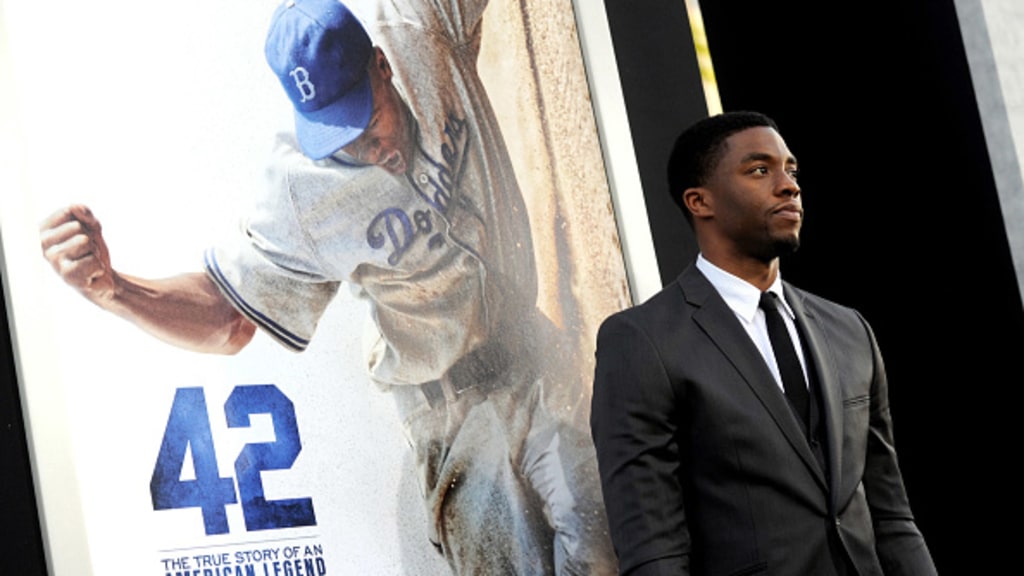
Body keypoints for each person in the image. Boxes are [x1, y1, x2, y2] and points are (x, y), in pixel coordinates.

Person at [38, 0, 616, 574]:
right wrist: (115, 289)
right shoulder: (302, 191)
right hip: (451, 419)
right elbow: (227, 318)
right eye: (337, 137)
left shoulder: (421, 23)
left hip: (534, 365)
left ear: (382, 66)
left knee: (604, 554)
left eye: (368, 122)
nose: (369, 151)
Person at [589, 111, 937, 576]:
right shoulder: (642, 340)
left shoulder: (850, 330)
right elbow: (653, 549)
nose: (789, 185)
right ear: (699, 201)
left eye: (791, 170)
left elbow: (892, 516)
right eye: (760, 170)